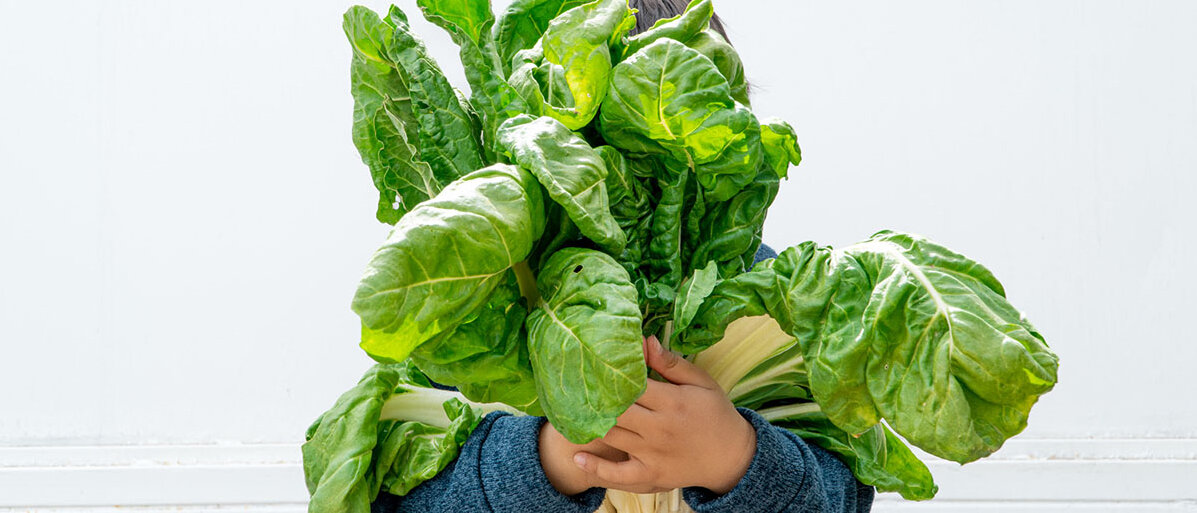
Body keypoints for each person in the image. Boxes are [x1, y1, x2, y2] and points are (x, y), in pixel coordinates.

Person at [372, 3, 876, 512]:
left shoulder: (777, 303)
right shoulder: (472, 308)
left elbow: (846, 495)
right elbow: (395, 498)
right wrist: (554, 458)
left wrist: (735, 456)